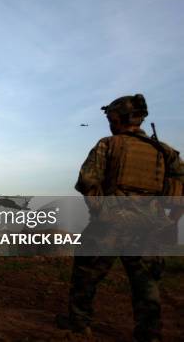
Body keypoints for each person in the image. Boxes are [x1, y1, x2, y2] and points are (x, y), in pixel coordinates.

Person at [57, 94, 184, 341]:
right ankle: (149, 334)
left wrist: (101, 211)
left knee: (86, 274)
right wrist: (171, 222)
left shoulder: (108, 144)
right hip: (149, 227)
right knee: (146, 285)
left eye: (110, 117)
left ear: (119, 117)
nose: (109, 121)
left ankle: (79, 324)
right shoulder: (165, 152)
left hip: (110, 224)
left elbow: (86, 181)